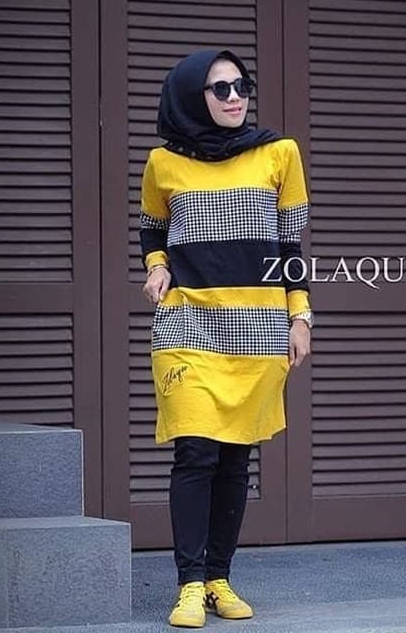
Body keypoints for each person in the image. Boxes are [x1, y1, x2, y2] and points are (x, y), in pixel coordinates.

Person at [139, 48, 313, 629]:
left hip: (258, 329)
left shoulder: (279, 153)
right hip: (187, 324)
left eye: (241, 85)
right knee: (196, 452)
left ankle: (219, 578)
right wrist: (157, 267)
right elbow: (153, 230)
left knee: (235, 458)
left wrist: (300, 316)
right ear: (194, 96)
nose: (235, 97)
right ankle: (189, 584)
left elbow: (290, 247)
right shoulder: (162, 163)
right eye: (220, 89)